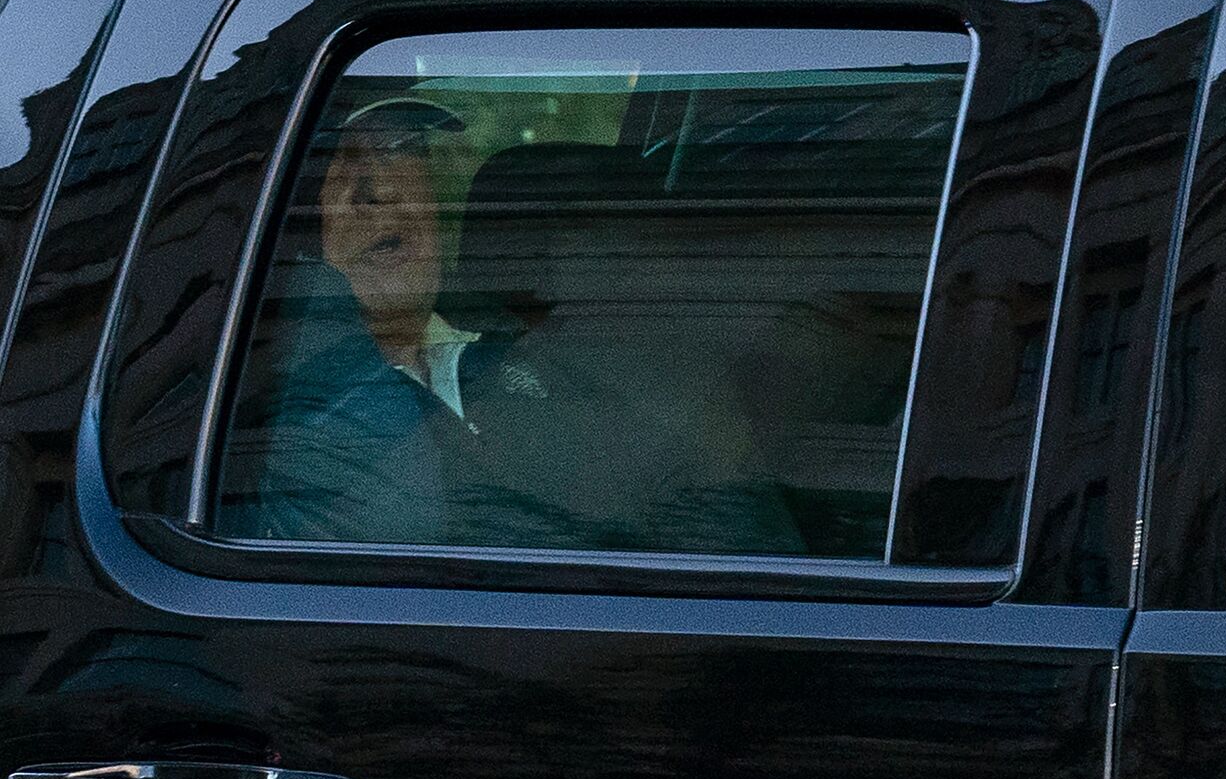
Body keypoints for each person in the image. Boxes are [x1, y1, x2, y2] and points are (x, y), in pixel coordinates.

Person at [218, 94, 804, 555]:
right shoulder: (260, 408)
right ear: (282, 213)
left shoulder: (549, 358)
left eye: (401, 148)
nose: (380, 188)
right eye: (331, 158)